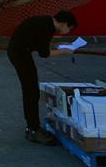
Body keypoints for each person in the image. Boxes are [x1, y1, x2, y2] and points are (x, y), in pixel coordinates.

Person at [8, 10, 77, 145]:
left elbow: (40, 44)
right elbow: (44, 53)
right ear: (64, 23)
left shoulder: (45, 22)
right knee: (31, 91)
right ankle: (33, 129)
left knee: (31, 90)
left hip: (19, 52)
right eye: (70, 28)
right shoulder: (47, 27)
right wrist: (64, 51)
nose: (69, 31)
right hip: (20, 54)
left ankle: (32, 127)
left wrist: (59, 47)